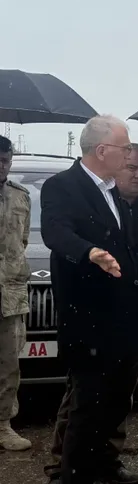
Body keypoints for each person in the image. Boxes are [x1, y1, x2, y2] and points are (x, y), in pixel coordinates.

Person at [41, 115, 138, 484]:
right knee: (84, 420)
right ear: (102, 151)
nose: (130, 155)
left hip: (118, 327)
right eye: (124, 148)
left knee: (105, 416)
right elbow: (55, 232)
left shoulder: (111, 193)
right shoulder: (62, 187)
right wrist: (89, 252)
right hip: (88, 327)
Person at [43, 143, 138, 484]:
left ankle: (103, 460)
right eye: (130, 166)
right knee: (83, 398)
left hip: (136, 314)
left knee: (119, 394)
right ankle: (64, 470)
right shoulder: (93, 200)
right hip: (99, 318)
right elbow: (58, 234)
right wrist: (91, 254)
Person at [0, 135, 32, 452]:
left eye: (6, 160)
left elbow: (21, 243)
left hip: (10, 294)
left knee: (9, 364)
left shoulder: (21, 197)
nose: (2, 165)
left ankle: (3, 426)